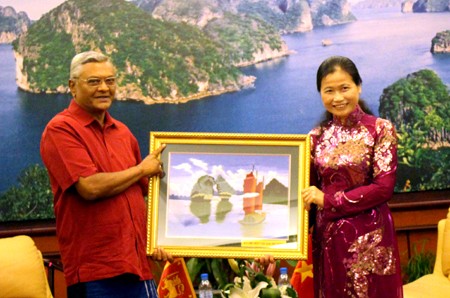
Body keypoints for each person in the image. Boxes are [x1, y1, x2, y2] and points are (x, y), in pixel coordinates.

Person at [40, 51, 173, 298]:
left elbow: (143, 195)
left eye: (110, 81)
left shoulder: (123, 133)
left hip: (138, 267)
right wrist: (142, 169)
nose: (104, 88)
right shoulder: (60, 129)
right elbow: (89, 187)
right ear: (72, 86)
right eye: (93, 82)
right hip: (97, 271)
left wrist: (158, 240)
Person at [302, 56, 403, 297]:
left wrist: (328, 201)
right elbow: (307, 193)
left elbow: (383, 188)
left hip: (369, 236)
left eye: (344, 88)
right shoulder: (315, 137)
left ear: (358, 86)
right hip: (327, 240)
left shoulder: (380, 129)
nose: (338, 97)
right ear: (320, 94)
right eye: (329, 90)